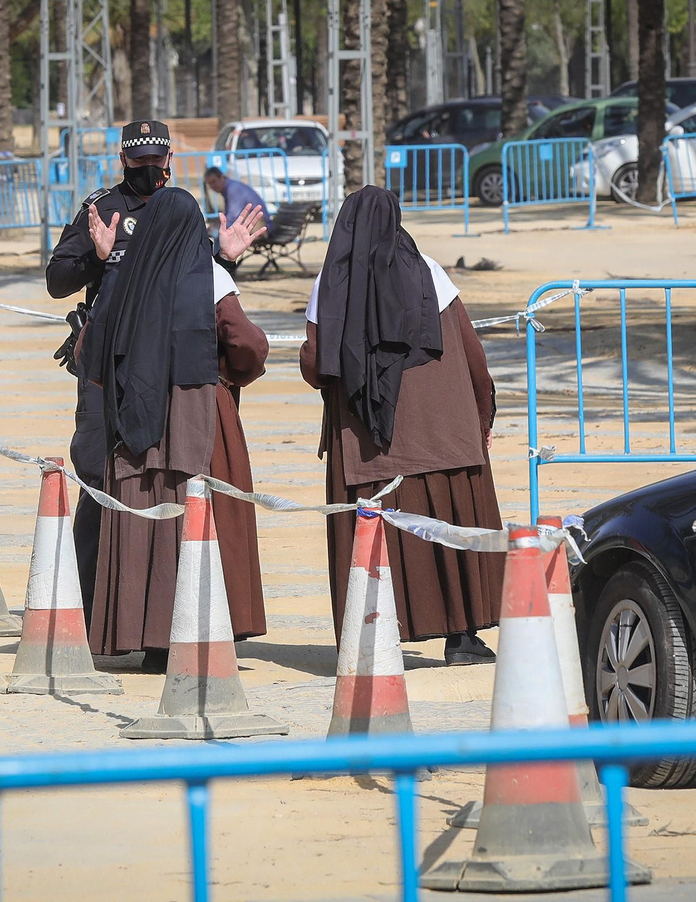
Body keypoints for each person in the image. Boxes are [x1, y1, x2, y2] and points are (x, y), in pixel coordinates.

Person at [46, 120, 265, 621]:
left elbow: (194, 287)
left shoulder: (180, 211)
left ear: (168, 160)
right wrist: (97, 259)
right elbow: (57, 280)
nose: (149, 170)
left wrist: (226, 260)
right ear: (123, 160)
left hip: (166, 371)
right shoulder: (102, 210)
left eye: (156, 162)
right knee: (102, 477)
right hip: (109, 364)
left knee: (159, 481)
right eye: (139, 162)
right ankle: (87, 605)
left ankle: (153, 605)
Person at [299, 186, 504, 666]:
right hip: (445, 437)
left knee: (375, 538)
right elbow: (474, 354)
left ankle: (372, 639)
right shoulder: (430, 272)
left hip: (368, 447)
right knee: (449, 529)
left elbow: (315, 366)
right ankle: (463, 638)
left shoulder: (331, 283)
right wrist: (481, 414)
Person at [78, 187, 271, 671]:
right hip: (197, 415)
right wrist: (228, 372)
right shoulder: (208, 276)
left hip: (133, 423)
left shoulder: (122, 275)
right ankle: (195, 631)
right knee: (195, 509)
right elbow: (248, 343)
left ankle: (147, 637)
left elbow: (87, 353)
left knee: (146, 513)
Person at [205, 167, 267, 231]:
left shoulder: (233, 189)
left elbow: (233, 217)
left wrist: (215, 228)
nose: (212, 186)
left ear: (222, 177)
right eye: (210, 184)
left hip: (260, 226)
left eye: (214, 181)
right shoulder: (228, 189)